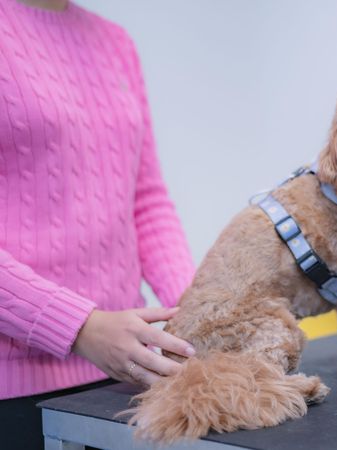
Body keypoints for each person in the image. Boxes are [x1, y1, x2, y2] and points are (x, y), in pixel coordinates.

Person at [0, 0, 196, 447]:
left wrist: (198, 309)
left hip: (126, 378)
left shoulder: (114, 42)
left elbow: (145, 200)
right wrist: (81, 327)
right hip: (13, 394)